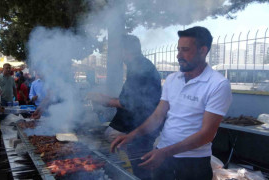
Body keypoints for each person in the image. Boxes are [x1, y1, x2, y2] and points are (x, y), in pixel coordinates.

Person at [110, 26, 233, 180]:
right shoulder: (172, 79)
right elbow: (157, 116)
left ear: (203, 50)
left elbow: (207, 134)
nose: (178, 55)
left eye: (185, 50)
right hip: (162, 155)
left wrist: (165, 152)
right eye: (178, 49)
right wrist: (132, 135)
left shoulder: (218, 84)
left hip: (192, 162)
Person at [89, 35, 162, 180]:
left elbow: (128, 102)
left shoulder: (139, 67)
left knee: (141, 167)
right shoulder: (138, 65)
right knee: (136, 163)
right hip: (139, 125)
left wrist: (104, 100)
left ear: (125, 50)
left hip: (142, 126)